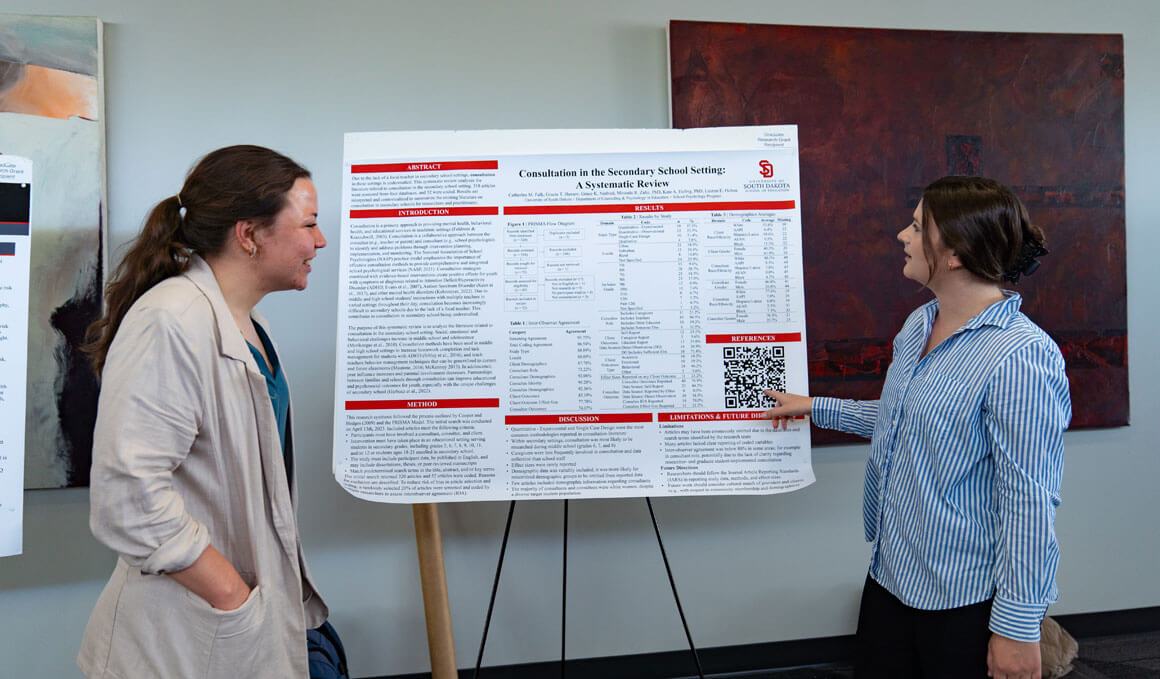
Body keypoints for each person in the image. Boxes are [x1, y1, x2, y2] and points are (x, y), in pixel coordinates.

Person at [765, 176, 1070, 679]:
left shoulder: (1022, 356)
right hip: (890, 576)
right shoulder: (917, 325)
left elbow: (1030, 502)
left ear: (954, 253)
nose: (901, 236)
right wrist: (813, 406)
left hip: (962, 601)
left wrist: (1018, 627)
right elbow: (900, 420)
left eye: (915, 226)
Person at [77, 145, 329, 678]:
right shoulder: (171, 320)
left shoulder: (245, 323)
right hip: (189, 632)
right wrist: (231, 594)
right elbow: (127, 495)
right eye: (308, 224)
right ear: (249, 234)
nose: (319, 241)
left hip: (235, 623)